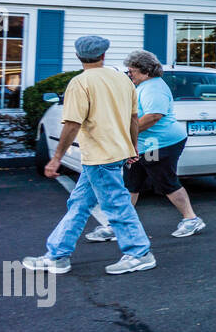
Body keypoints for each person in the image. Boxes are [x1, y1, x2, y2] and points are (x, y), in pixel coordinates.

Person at [23, 36, 156, 275]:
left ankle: (139, 252)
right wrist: (133, 146)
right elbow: (133, 118)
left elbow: (72, 123)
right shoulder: (123, 80)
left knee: (116, 206)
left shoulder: (79, 83)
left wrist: (56, 158)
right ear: (103, 55)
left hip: (99, 156)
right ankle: (57, 255)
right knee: (79, 205)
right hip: (111, 154)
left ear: (77, 56)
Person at [84, 49, 205, 241]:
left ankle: (191, 219)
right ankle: (118, 225)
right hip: (145, 144)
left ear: (145, 70)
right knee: (131, 184)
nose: (129, 74)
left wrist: (124, 133)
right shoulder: (145, 85)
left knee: (166, 182)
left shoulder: (153, 88)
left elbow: (154, 116)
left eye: (131, 70)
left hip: (159, 144)